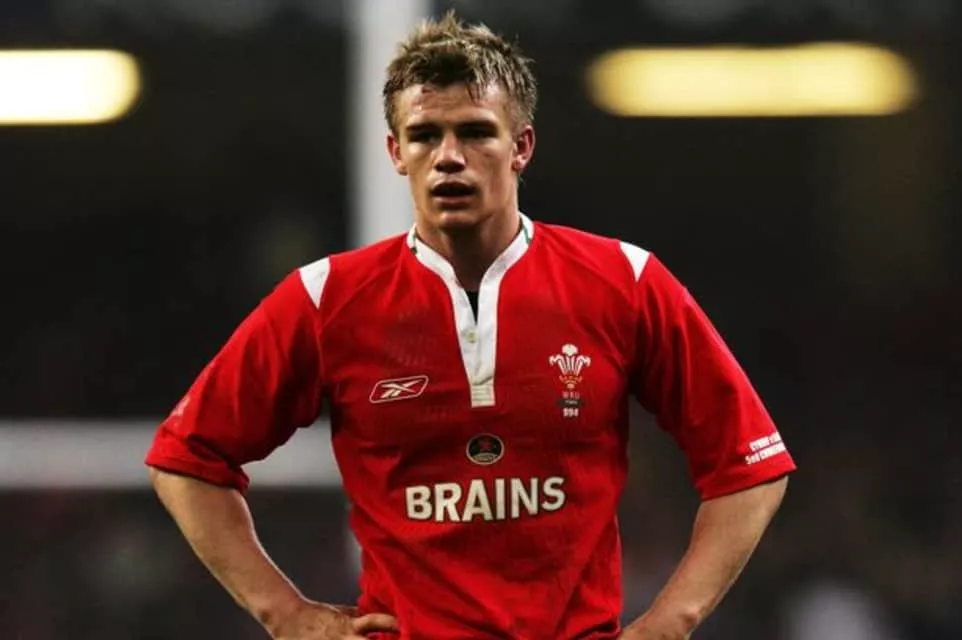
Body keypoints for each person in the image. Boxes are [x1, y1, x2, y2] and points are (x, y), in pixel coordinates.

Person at [145, 11, 795, 640]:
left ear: (521, 147)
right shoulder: (325, 299)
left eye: (476, 132)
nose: (449, 157)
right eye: (425, 135)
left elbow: (751, 464)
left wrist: (669, 623)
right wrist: (284, 613)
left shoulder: (623, 281)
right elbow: (186, 460)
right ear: (396, 153)